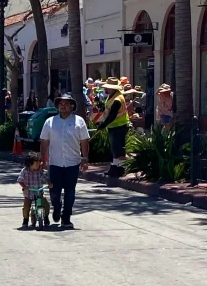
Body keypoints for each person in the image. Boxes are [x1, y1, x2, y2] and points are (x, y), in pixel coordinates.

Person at [40, 94, 90, 229]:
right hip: (55, 162)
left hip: (72, 163)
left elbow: (84, 141)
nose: (63, 106)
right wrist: (42, 159)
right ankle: (56, 208)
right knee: (54, 192)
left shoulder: (79, 121)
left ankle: (66, 217)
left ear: (72, 106)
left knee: (70, 192)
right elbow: (44, 141)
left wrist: (85, 159)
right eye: (61, 104)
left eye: (66, 104)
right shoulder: (50, 122)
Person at [97, 77, 130, 177]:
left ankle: (121, 168)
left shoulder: (117, 99)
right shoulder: (112, 96)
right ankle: (115, 167)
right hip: (115, 126)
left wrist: (103, 125)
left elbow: (112, 116)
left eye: (107, 87)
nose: (105, 89)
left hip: (119, 126)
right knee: (115, 149)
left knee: (118, 148)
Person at [18, 152, 52, 228]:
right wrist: (24, 187)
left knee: (45, 204)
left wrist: (49, 183)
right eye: (36, 162)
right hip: (29, 193)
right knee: (26, 207)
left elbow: (44, 177)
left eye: (39, 162)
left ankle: (46, 217)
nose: (38, 164)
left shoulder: (39, 171)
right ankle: (25, 219)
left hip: (39, 191)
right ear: (30, 163)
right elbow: (20, 180)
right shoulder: (24, 171)